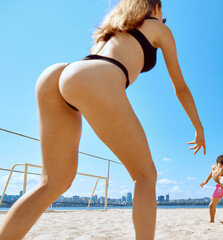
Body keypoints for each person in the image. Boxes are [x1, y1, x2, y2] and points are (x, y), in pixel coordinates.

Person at [0, 1, 206, 239]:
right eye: (163, 13)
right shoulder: (158, 27)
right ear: (156, 8)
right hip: (96, 76)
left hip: (59, 74)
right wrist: (198, 127)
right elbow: (180, 88)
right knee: (145, 175)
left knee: (53, 182)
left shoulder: (114, 28)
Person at [200, 154, 223, 225]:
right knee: (211, 205)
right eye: (221, 164)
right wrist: (206, 181)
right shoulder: (213, 167)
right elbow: (211, 173)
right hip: (219, 187)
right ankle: (211, 221)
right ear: (217, 164)